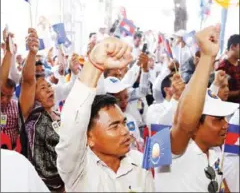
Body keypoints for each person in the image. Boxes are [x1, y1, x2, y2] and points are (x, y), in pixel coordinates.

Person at [56, 37, 154, 192]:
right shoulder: (78, 170)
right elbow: (72, 123)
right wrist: (94, 66)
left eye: (123, 123)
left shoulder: (140, 163)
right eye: (114, 126)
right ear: (90, 137)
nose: (125, 131)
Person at [155, 25, 239, 192]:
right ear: (195, 124)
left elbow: (221, 186)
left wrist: (215, 84)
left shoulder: (213, 152)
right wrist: (207, 57)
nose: (225, 125)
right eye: (218, 120)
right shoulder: (169, 149)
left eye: (224, 119)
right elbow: (183, 123)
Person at [19, 28, 64, 191]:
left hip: (66, 183)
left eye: (49, 86)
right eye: (43, 88)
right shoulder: (30, 112)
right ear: (33, 96)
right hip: (41, 186)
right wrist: (32, 53)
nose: (49, 90)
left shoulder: (59, 115)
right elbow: (28, 81)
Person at [0, 31, 19, 147]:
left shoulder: (16, 106)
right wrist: (8, 52)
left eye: (9, 96)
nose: (4, 100)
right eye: (2, 95)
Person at [217, 34, 240, 103]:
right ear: (233, 47)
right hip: (231, 106)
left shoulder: (238, 64)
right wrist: (238, 92)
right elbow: (219, 93)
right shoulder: (223, 67)